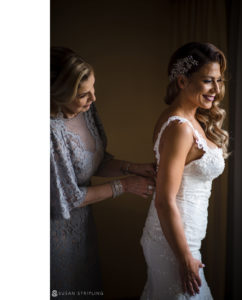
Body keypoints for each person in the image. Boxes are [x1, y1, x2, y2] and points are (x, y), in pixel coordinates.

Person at [50, 47, 156, 298]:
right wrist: (126, 185)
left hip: (82, 227)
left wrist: (132, 166)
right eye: (84, 94)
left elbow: (92, 163)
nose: (94, 98)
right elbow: (70, 197)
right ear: (58, 95)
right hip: (54, 231)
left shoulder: (87, 110)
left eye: (93, 88)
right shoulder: (49, 131)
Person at [140, 42, 229, 300]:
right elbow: (164, 200)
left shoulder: (191, 119)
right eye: (208, 81)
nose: (216, 89)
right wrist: (184, 257)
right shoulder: (179, 127)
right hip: (174, 241)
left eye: (219, 81)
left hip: (185, 236)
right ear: (182, 81)